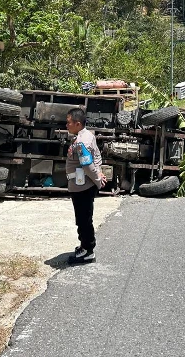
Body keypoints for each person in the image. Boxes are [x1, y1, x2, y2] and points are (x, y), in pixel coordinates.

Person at [65, 108, 107, 264]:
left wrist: (97, 179)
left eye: (69, 122)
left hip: (82, 187)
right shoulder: (85, 136)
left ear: (77, 123)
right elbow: (96, 157)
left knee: (83, 219)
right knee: (82, 218)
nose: (66, 124)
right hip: (80, 186)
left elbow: (87, 164)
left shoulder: (82, 141)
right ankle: (83, 246)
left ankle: (88, 251)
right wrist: (99, 174)